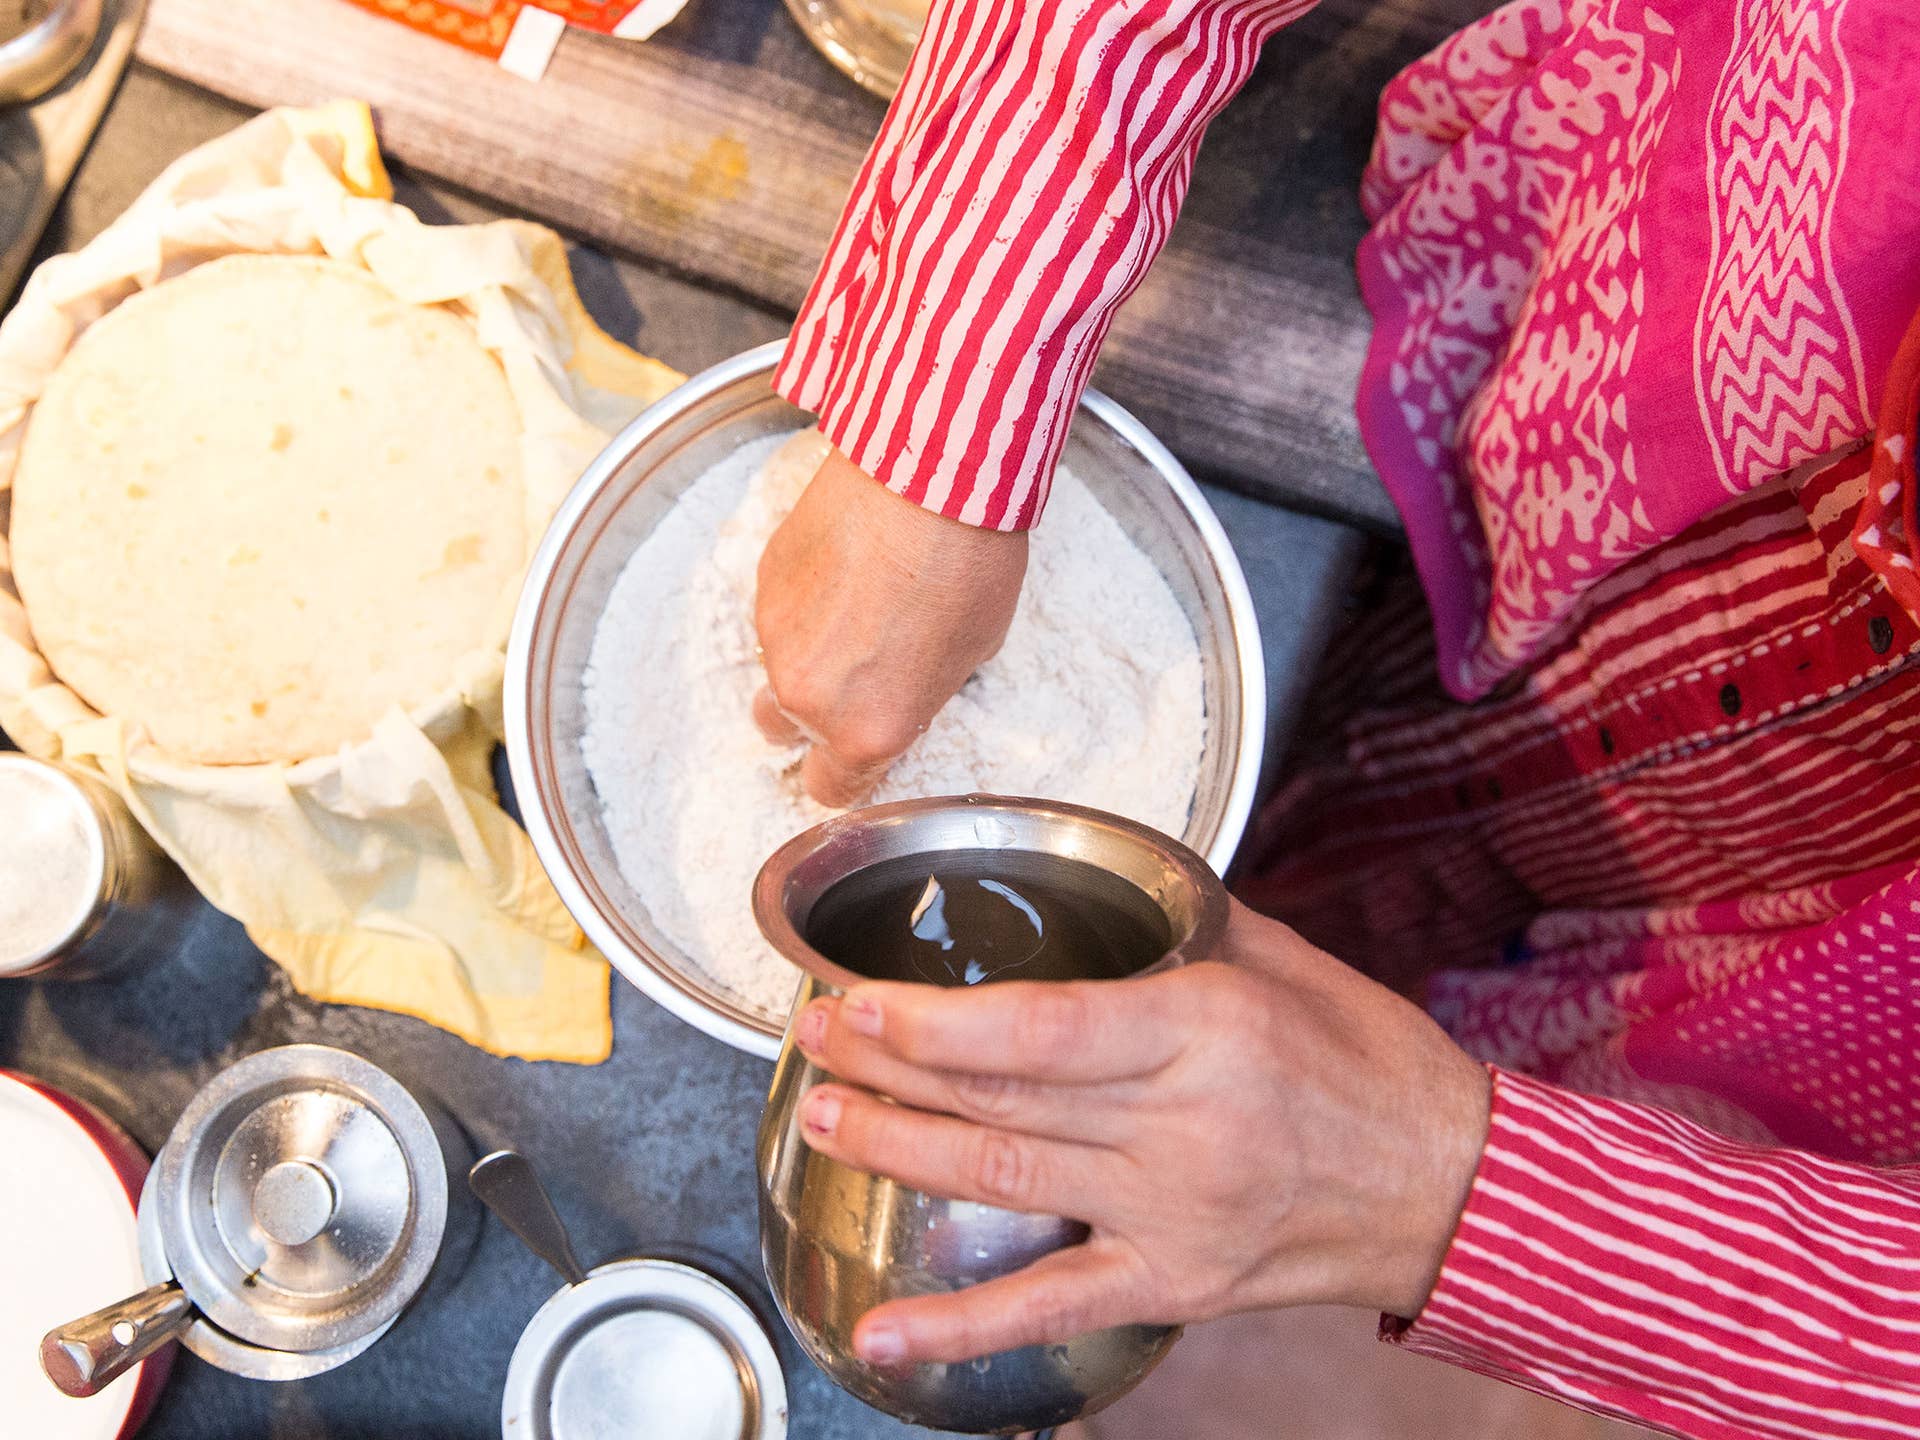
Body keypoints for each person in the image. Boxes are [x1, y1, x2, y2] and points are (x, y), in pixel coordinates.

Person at [749, 1, 1920, 1434]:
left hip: (1775, 982)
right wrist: (940, 415)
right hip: (1591, 318)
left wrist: (1440, 1181)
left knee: (1393, 964)